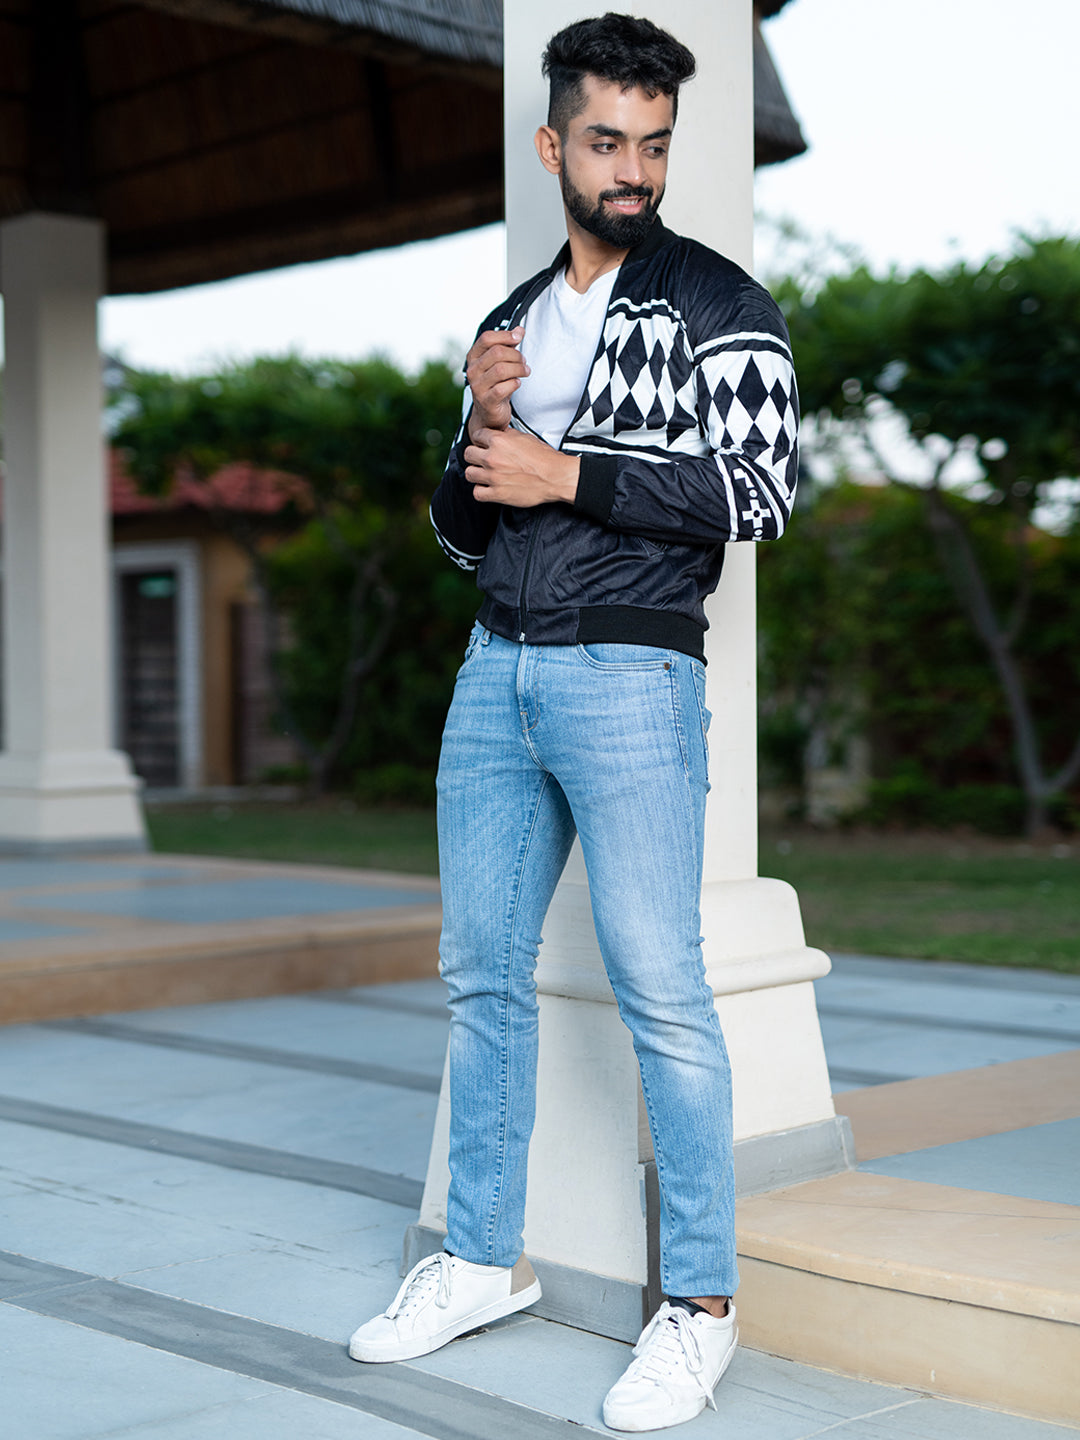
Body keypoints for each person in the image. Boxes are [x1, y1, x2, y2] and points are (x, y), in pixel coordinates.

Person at [348, 12, 798, 1432]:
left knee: (664, 991)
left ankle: (700, 1307)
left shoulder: (719, 301)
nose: (634, 171)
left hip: (631, 677)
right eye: (607, 142)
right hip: (499, 671)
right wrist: (480, 434)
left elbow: (761, 492)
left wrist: (572, 473)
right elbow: (460, 528)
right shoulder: (511, 325)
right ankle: (483, 1259)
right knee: (483, 977)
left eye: (653, 145)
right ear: (554, 145)